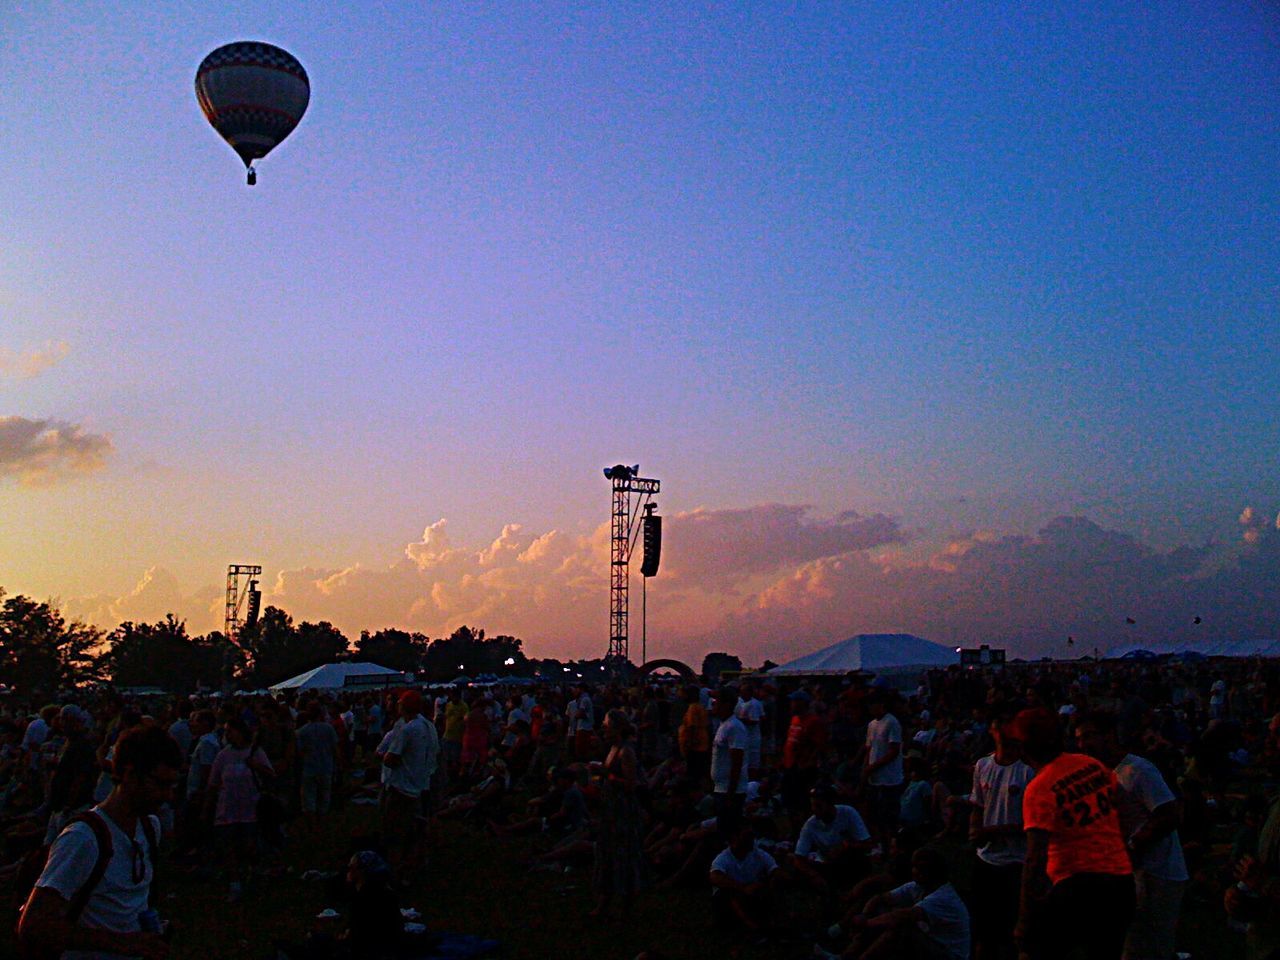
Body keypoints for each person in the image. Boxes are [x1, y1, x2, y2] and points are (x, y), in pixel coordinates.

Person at [18, 724, 182, 960]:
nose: (168, 795)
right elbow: (34, 926)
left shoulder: (149, 827)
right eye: (161, 784)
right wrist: (123, 943)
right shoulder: (83, 839)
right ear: (129, 774)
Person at [1013, 707, 1134, 960]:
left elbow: (1035, 858)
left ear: (1023, 747)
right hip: (1120, 882)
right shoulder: (1090, 764)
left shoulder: (1040, 788)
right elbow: (1125, 811)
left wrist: (1025, 919)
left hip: (1077, 886)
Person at [1076, 711, 1187, 960]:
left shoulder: (1137, 770)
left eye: (1089, 736)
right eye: (1079, 739)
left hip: (1157, 872)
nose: (1083, 745)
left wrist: (1134, 844)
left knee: (1148, 946)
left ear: (1110, 736)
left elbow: (1170, 814)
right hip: (1131, 872)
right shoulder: (1101, 773)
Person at [818, 847, 970, 960]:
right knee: (879, 910)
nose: (914, 871)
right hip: (929, 941)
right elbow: (880, 898)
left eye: (919, 868)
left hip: (949, 953)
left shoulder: (943, 897)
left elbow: (902, 916)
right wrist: (865, 915)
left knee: (900, 928)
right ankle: (845, 955)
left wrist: (865, 923)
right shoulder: (918, 886)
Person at [969, 711, 1034, 960]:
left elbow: (1032, 823)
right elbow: (978, 803)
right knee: (983, 926)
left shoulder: (1028, 771)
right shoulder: (983, 765)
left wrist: (991, 831)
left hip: (1016, 860)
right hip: (986, 858)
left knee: (1014, 928)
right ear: (992, 732)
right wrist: (975, 829)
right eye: (999, 729)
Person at [207, 717, 273, 902]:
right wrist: (207, 806)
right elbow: (213, 783)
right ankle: (235, 883)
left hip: (250, 808)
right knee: (229, 847)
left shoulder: (255, 752)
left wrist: (256, 766)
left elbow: (270, 774)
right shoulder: (223, 755)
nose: (227, 735)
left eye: (230, 731)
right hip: (227, 809)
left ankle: (253, 876)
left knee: (250, 846)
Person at [381, 691, 438, 886]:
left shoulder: (406, 730)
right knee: (416, 829)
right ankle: (415, 865)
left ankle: (396, 873)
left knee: (396, 831)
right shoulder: (428, 726)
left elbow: (391, 758)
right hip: (420, 783)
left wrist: (384, 756)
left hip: (402, 786)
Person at [591, 708, 643, 919]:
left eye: (606, 726)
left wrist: (606, 774)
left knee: (622, 856)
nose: (603, 729)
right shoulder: (614, 747)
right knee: (607, 854)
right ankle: (606, 901)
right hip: (610, 808)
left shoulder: (626, 751)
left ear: (617, 729)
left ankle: (624, 905)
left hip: (622, 812)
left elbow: (631, 785)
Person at [792, 783, 872, 891]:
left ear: (830, 804)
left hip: (851, 860)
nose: (814, 809)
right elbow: (799, 858)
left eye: (819, 806)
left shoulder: (848, 812)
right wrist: (814, 875)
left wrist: (846, 846)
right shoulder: (810, 825)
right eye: (813, 805)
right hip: (827, 864)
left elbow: (867, 844)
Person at [709, 822, 781, 937]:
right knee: (729, 895)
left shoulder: (758, 854)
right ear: (735, 837)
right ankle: (754, 928)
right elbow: (715, 877)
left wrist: (768, 884)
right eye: (747, 836)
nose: (751, 839)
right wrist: (743, 888)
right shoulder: (723, 858)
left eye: (752, 836)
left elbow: (775, 870)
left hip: (753, 895)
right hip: (731, 898)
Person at [860, 693, 904, 845]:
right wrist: (866, 768)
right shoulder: (871, 725)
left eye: (873, 704)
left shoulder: (891, 722)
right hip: (875, 777)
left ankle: (893, 842)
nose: (870, 708)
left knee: (888, 813)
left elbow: (893, 750)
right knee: (874, 813)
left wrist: (873, 766)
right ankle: (880, 842)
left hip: (890, 778)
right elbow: (869, 748)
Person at [709, 687, 748, 838]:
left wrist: (731, 793)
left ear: (725, 705)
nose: (713, 705)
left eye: (716, 702)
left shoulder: (734, 727)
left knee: (728, 831)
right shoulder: (723, 725)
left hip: (730, 791)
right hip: (721, 788)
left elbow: (736, 762)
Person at [296, 703, 340, 826]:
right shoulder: (328, 728)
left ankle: (312, 823)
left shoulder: (302, 731)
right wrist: (339, 763)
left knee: (309, 798)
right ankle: (321, 823)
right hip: (326, 767)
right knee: (324, 796)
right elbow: (335, 748)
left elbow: (300, 752)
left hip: (309, 768)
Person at [678, 686, 710, 786]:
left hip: (695, 747)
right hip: (701, 744)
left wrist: (688, 744)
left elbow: (693, 727)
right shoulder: (699, 707)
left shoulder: (693, 708)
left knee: (693, 774)